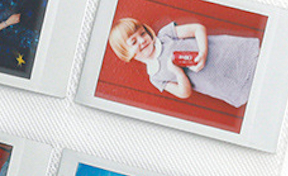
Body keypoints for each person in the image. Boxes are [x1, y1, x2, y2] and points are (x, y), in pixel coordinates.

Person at [108, 17, 260, 109]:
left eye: (142, 33)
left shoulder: (164, 36)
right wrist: (177, 72)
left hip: (228, 54)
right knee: (259, 91)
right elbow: (183, 92)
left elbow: (197, 29)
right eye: (134, 41)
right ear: (126, 53)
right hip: (223, 82)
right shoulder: (156, 77)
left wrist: (203, 52)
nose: (142, 40)